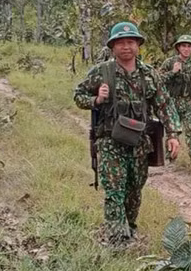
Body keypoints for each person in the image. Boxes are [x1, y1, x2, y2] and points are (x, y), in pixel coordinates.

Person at [74, 21, 181, 247]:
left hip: (139, 143)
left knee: (134, 190)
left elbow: (164, 105)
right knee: (115, 191)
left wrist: (173, 134)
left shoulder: (149, 74)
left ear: (138, 46)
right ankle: (118, 241)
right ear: (112, 47)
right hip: (110, 142)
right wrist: (97, 99)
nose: (126, 47)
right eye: (120, 43)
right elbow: (78, 96)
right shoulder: (101, 72)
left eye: (131, 42)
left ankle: (130, 229)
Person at [160, 34, 191, 170]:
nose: (186, 49)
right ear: (178, 48)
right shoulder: (169, 63)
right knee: (172, 131)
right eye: (183, 46)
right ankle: (170, 159)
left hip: (190, 102)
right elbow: (158, 81)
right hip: (172, 102)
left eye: (189, 46)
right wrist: (173, 72)